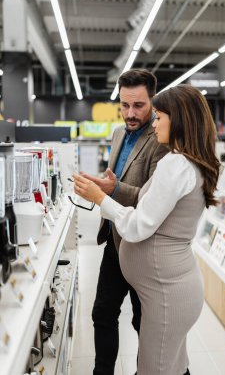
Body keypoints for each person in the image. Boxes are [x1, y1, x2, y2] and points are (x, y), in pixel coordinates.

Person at [73, 84, 220, 375]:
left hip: (166, 294)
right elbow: (151, 201)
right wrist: (114, 189)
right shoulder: (187, 161)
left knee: (155, 367)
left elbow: (139, 226)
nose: (154, 122)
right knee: (171, 366)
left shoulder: (175, 164)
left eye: (159, 116)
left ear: (177, 120)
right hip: (173, 289)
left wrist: (99, 198)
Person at [80, 69, 168, 375]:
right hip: (114, 241)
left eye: (139, 106)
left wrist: (112, 189)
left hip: (143, 246)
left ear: (153, 101)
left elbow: (153, 197)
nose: (130, 113)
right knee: (102, 313)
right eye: (124, 104)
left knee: (143, 321)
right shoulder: (118, 133)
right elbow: (115, 178)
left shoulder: (161, 138)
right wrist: (104, 183)